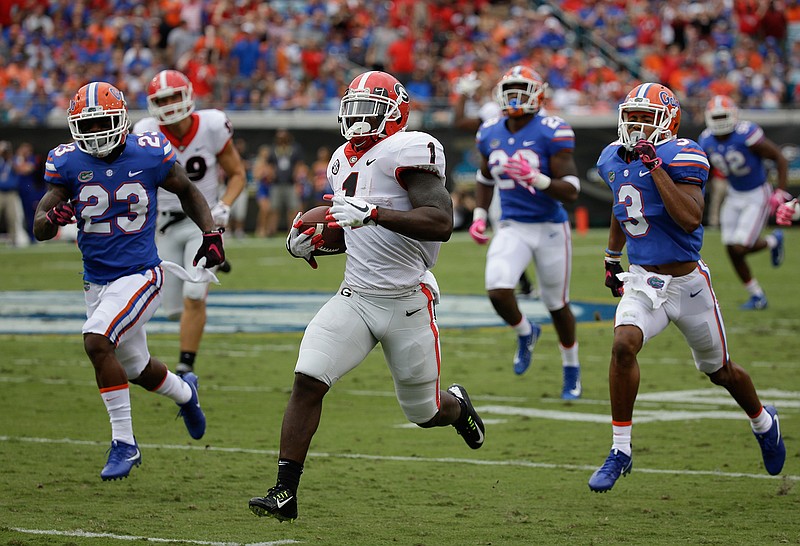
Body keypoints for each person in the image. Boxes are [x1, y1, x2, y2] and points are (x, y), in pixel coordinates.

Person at [248, 70, 485, 522]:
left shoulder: (409, 150)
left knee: (424, 411)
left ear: (395, 112)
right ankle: (284, 491)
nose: (358, 119)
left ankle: (458, 409)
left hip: (406, 300)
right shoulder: (339, 159)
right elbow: (354, 233)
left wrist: (373, 212)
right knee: (307, 378)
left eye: (369, 110)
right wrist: (313, 243)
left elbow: (440, 222)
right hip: (355, 296)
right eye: (353, 109)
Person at [589, 82, 785, 493]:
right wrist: (611, 258)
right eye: (633, 117)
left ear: (668, 121)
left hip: (688, 283)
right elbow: (622, 207)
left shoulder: (683, 153)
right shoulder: (611, 156)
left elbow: (690, 218)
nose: (637, 126)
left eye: (646, 118)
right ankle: (620, 449)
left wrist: (655, 166)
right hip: (644, 279)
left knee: (721, 371)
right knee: (623, 343)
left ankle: (763, 421)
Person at [32, 81, 225, 480]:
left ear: (121, 118)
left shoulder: (149, 151)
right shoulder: (66, 162)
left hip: (140, 273)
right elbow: (39, 225)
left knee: (96, 339)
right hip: (97, 280)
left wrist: (211, 233)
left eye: (102, 120)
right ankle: (187, 392)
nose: (96, 131)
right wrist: (50, 220)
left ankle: (125, 443)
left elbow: (188, 191)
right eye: (87, 124)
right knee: (135, 367)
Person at [468, 65, 582, 398]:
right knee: (497, 288)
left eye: (522, 90)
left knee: (557, 304)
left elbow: (572, 188)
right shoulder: (489, 130)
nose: (515, 97)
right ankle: (525, 331)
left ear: (538, 94)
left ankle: (571, 368)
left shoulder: (552, 130)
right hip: (513, 225)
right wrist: (478, 215)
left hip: (549, 227)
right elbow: (485, 176)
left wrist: (538, 180)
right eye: (510, 90)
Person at [133, 69, 246, 377]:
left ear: (188, 97)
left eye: (174, 97)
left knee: (195, 294)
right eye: (163, 99)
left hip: (203, 222)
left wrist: (223, 206)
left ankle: (185, 367)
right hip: (164, 226)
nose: (169, 105)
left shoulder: (211, 125)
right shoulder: (145, 131)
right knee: (171, 309)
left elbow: (237, 174)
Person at [697, 95, 789, 310]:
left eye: (723, 116)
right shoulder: (706, 139)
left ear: (734, 115)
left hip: (757, 193)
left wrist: (781, 191)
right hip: (734, 193)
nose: (720, 121)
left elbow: (780, 158)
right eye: (716, 116)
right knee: (730, 247)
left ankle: (773, 241)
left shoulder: (746, 134)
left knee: (740, 246)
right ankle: (757, 295)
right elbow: (708, 171)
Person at [454, 70, 536, 298]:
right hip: (502, 180)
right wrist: (462, 94)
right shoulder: (491, 112)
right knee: (504, 231)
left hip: (530, 178)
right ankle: (522, 284)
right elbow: (460, 122)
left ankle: (530, 282)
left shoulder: (537, 116)